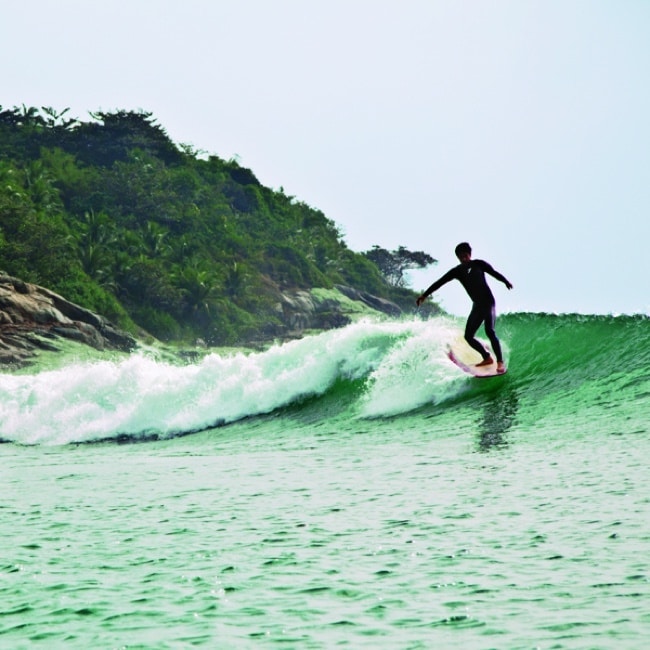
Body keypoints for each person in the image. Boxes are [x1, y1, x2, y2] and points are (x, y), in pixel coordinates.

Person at [416, 242, 513, 373]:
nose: (463, 258)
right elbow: (440, 282)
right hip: (477, 306)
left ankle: (500, 363)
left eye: (465, 255)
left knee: (489, 331)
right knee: (468, 336)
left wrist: (505, 281)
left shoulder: (479, 264)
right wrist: (424, 295)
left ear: (470, 254)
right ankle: (486, 357)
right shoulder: (457, 271)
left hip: (488, 302)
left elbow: (494, 273)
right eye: (460, 256)